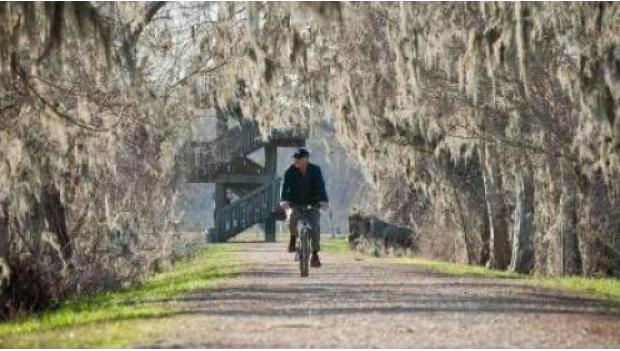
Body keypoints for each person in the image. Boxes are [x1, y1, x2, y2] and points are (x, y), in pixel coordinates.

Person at [280, 147, 329, 267]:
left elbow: (321, 186)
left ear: (306, 159)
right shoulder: (290, 171)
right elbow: (285, 187)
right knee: (292, 218)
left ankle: (315, 255)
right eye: (295, 158)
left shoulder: (315, 170)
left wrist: (324, 201)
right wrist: (283, 200)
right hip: (295, 203)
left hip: (312, 204)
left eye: (298, 158)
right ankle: (293, 238)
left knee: (315, 227)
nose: (295, 160)